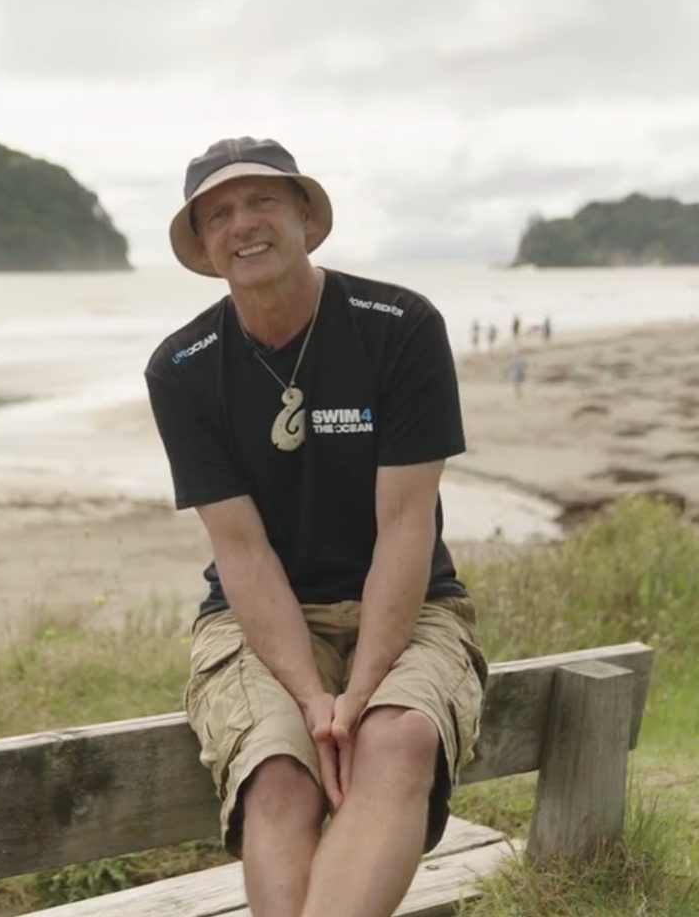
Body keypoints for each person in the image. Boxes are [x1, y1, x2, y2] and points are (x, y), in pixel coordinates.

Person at [144, 137, 489, 917]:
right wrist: (309, 699)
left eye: (262, 200)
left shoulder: (397, 325)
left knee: (397, 741)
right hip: (255, 615)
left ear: (305, 214)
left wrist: (359, 692)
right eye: (217, 214)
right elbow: (241, 549)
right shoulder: (182, 367)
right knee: (277, 776)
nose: (242, 224)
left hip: (408, 604)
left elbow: (404, 526)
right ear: (203, 244)